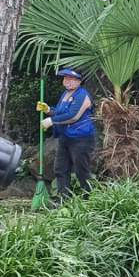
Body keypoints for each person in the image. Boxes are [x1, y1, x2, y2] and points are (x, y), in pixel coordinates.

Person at [36, 67, 95, 198]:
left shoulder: (83, 95)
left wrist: (51, 121)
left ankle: (90, 199)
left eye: (71, 78)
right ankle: (63, 199)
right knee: (61, 169)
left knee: (82, 171)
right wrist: (48, 110)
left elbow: (73, 116)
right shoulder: (65, 94)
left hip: (81, 139)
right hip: (65, 138)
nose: (67, 81)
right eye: (65, 78)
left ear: (79, 81)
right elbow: (60, 112)